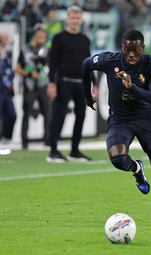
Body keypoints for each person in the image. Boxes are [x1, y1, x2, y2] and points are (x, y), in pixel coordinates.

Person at [82, 29, 151, 227]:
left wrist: (133, 88)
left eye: (135, 50)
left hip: (148, 118)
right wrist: (87, 94)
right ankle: (137, 169)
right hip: (120, 119)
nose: (131, 54)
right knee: (118, 159)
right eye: (127, 50)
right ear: (122, 48)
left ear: (142, 48)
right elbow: (86, 64)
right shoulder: (109, 60)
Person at [46, 5, 97, 162]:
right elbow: (52, 62)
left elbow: (88, 63)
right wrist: (51, 83)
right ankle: (53, 151)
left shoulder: (85, 39)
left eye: (77, 18)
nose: (75, 20)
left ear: (81, 20)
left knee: (81, 116)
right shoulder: (59, 38)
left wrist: (94, 83)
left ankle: (75, 151)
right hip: (64, 82)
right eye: (72, 18)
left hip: (81, 83)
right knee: (58, 115)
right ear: (67, 19)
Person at [15, 25, 50, 149]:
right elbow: (17, 68)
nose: (41, 39)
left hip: (42, 85)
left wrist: (43, 62)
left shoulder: (46, 50)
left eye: (43, 37)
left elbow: (49, 65)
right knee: (26, 113)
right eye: (39, 37)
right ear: (34, 37)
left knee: (47, 112)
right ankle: (24, 140)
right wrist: (30, 74)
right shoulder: (25, 49)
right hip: (29, 85)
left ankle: (47, 140)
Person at [0, 33, 16, 144]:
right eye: (4, 38)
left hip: (7, 91)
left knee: (12, 115)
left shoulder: (7, 54)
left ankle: (7, 137)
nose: (6, 41)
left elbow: (11, 72)